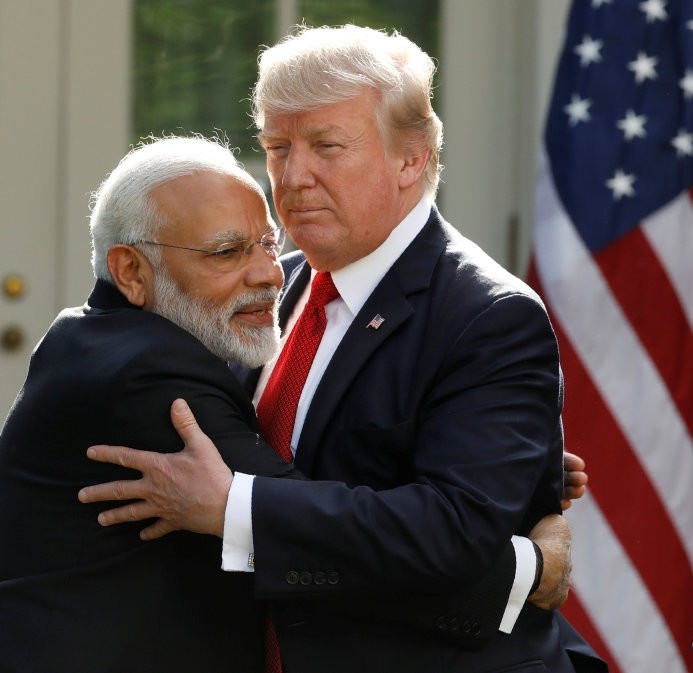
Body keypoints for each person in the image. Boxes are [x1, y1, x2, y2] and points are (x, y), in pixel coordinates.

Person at [0, 134, 582, 671]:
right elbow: (297, 528)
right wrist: (525, 572)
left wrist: (476, 449)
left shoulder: (100, 336)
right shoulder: (152, 376)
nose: (271, 275)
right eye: (227, 253)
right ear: (132, 271)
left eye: (268, 245)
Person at [78, 24, 607, 673]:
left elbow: (451, 533)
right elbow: (166, 466)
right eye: (277, 146)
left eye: (326, 146)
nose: (293, 176)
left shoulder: (490, 316)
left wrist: (235, 509)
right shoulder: (272, 280)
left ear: (411, 159)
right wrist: (21, 559)